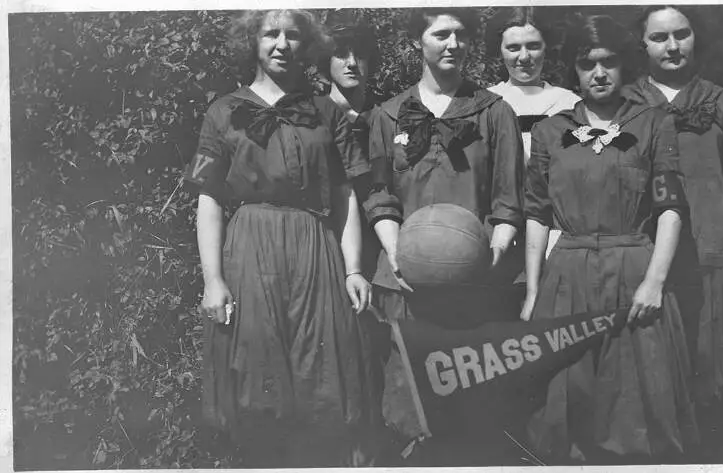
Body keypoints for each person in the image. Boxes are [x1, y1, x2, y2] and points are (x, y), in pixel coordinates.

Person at [185, 9, 372, 468]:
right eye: (271, 34)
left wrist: (353, 269)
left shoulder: (328, 111)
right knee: (257, 369)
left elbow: (347, 194)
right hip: (250, 246)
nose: (282, 44)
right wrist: (213, 280)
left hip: (315, 246)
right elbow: (209, 199)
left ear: (306, 46)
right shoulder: (224, 110)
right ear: (253, 41)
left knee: (321, 371)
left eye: (292, 36)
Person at [520, 14, 698, 464]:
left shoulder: (654, 122)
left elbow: (670, 207)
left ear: (624, 66)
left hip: (634, 270)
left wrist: (655, 281)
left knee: (635, 405)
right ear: (573, 70)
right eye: (586, 64)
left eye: (609, 62)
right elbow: (538, 215)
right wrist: (535, 292)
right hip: (568, 275)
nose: (598, 74)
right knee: (568, 405)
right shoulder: (548, 131)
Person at [362, 7, 525, 465]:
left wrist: (490, 255)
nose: (453, 44)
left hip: (477, 282)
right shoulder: (388, 115)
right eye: (440, 34)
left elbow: (509, 199)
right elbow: (380, 196)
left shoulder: (496, 112)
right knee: (408, 403)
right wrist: (397, 255)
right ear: (418, 42)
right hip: (404, 281)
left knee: (471, 403)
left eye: (461, 35)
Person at [625, 5, 723, 410]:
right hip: (645, 254)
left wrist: (718, 216)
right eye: (660, 37)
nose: (672, 45)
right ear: (642, 44)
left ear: (695, 37)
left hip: (711, 251)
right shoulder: (624, 102)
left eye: (681, 34)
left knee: (717, 364)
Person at [317, 9, 389, 464]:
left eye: (359, 54)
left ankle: (384, 446)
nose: (350, 63)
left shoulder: (390, 115)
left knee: (381, 347)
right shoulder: (309, 117)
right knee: (340, 349)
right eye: (339, 54)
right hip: (328, 243)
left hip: (385, 242)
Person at [485, 6, 582, 271]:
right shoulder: (485, 103)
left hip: (554, 233)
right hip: (497, 233)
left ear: (546, 47)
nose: (524, 57)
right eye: (513, 47)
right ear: (500, 50)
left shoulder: (570, 104)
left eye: (533, 46)